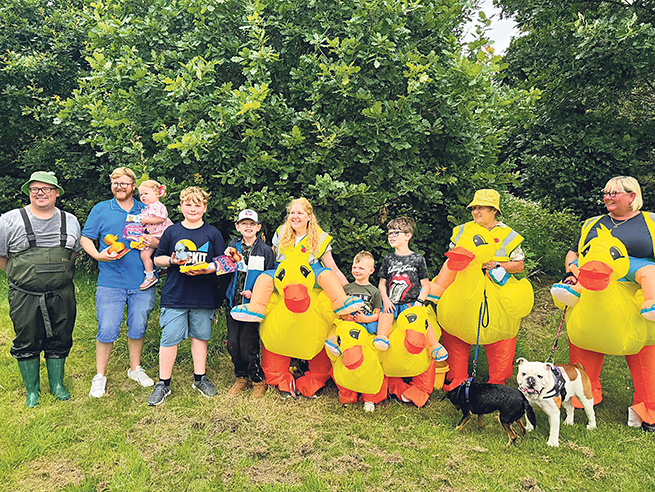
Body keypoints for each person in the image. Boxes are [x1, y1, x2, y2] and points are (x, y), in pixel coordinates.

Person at [555, 175, 655, 431]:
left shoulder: (650, 223)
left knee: (645, 355)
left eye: (614, 193)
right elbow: (574, 252)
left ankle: (648, 410)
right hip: (593, 294)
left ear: (632, 196)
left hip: (635, 298)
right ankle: (584, 398)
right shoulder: (592, 224)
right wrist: (571, 272)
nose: (607, 197)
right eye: (606, 193)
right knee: (584, 344)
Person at [0, 171, 81, 407]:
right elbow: (1, 257)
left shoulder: (70, 220)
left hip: (62, 292)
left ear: (57, 193)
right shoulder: (9, 220)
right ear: (28, 192)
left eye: (46, 189)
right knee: (26, 338)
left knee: (61, 336)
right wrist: (24, 277)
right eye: (35, 189)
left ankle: (57, 385)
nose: (40, 193)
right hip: (24, 294)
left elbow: (73, 253)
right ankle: (32, 391)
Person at [431, 189, 525, 390]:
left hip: (495, 291)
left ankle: (497, 380)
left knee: (501, 331)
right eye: (474, 207)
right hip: (464, 289)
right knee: (454, 327)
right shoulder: (463, 231)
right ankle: (457, 378)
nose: (475, 212)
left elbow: (519, 265)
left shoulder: (508, 235)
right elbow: (451, 262)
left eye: (480, 207)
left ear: (494, 210)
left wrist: (497, 265)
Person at [81, 167, 157, 398]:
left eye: (124, 183)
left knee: (138, 326)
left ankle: (135, 369)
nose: (119, 187)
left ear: (134, 186)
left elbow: (165, 235)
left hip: (142, 282)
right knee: (107, 328)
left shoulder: (147, 208)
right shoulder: (102, 209)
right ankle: (100, 376)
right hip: (110, 280)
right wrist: (97, 255)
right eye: (116, 183)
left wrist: (152, 239)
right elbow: (86, 238)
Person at [147, 186, 225, 406]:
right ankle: (163, 383)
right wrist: (172, 261)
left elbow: (222, 263)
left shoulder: (213, 233)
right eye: (188, 204)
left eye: (197, 205)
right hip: (175, 294)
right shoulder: (172, 232)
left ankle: (200, 378)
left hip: (203, 295)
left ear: (205, 208)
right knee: (169, 338)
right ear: (181, 206)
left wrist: (206, 269)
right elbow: (157, 259)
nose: (193, 208)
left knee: (200, 337)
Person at [230, 197, 363, 321]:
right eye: (292, 213)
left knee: (327, 275)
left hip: (308, 274)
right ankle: (256, 308)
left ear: (309, 216)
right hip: (284, 274)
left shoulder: (319, 237)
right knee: (265, 277)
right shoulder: (281, 232)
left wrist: (350, 290)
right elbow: (270, 259)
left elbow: (333, 268)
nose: (295, 217)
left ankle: (342, 303)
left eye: (300, 213)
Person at [374, 216, 446, 359]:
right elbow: (382, 284)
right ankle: (381, 338)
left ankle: (434, 346)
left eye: (396, 233)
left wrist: (419, 302)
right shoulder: (388, 259)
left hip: (411, 302)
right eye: (389, 233)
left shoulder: (417, 259)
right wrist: (386, 300)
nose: (391, 236)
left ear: (408, 236)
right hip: (392, 302)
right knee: (385, 314)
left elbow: (425, 285)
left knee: (422, 318)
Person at [224, 209, 275, 399]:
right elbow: (226, 271)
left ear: (258, 227)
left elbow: (270, 277)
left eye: (252, 224)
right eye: (244, 224)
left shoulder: (266, 250)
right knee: (233, 345)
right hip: (233, 303)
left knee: (248, 345)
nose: (248, 227)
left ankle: (258, 380)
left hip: (252, 306)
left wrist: (256, 293)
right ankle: (241, 377)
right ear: (237, 227)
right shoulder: (232, 246)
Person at [137, 180, 173, 290]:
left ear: (157, 194)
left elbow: (161, 218)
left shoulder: (158, 206)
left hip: (164, 233)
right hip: (155, 234)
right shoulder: (147, 208)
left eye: (146, 194)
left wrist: (145, 219)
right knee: (145, 254)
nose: (143, 196)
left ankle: (155, 272)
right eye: (141, 194)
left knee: (148, 253)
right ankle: (154, 273)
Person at [341, 251, 383, 334]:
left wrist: (365, 319)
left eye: (361, 268)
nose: (356, 271)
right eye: (354, 267)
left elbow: (378, 314)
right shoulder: (346, 288)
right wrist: (345, 316)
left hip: (365, 322)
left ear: (371, 271)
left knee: (373, 328)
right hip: (349, 323)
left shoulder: (375, 291)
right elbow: (340, 307)